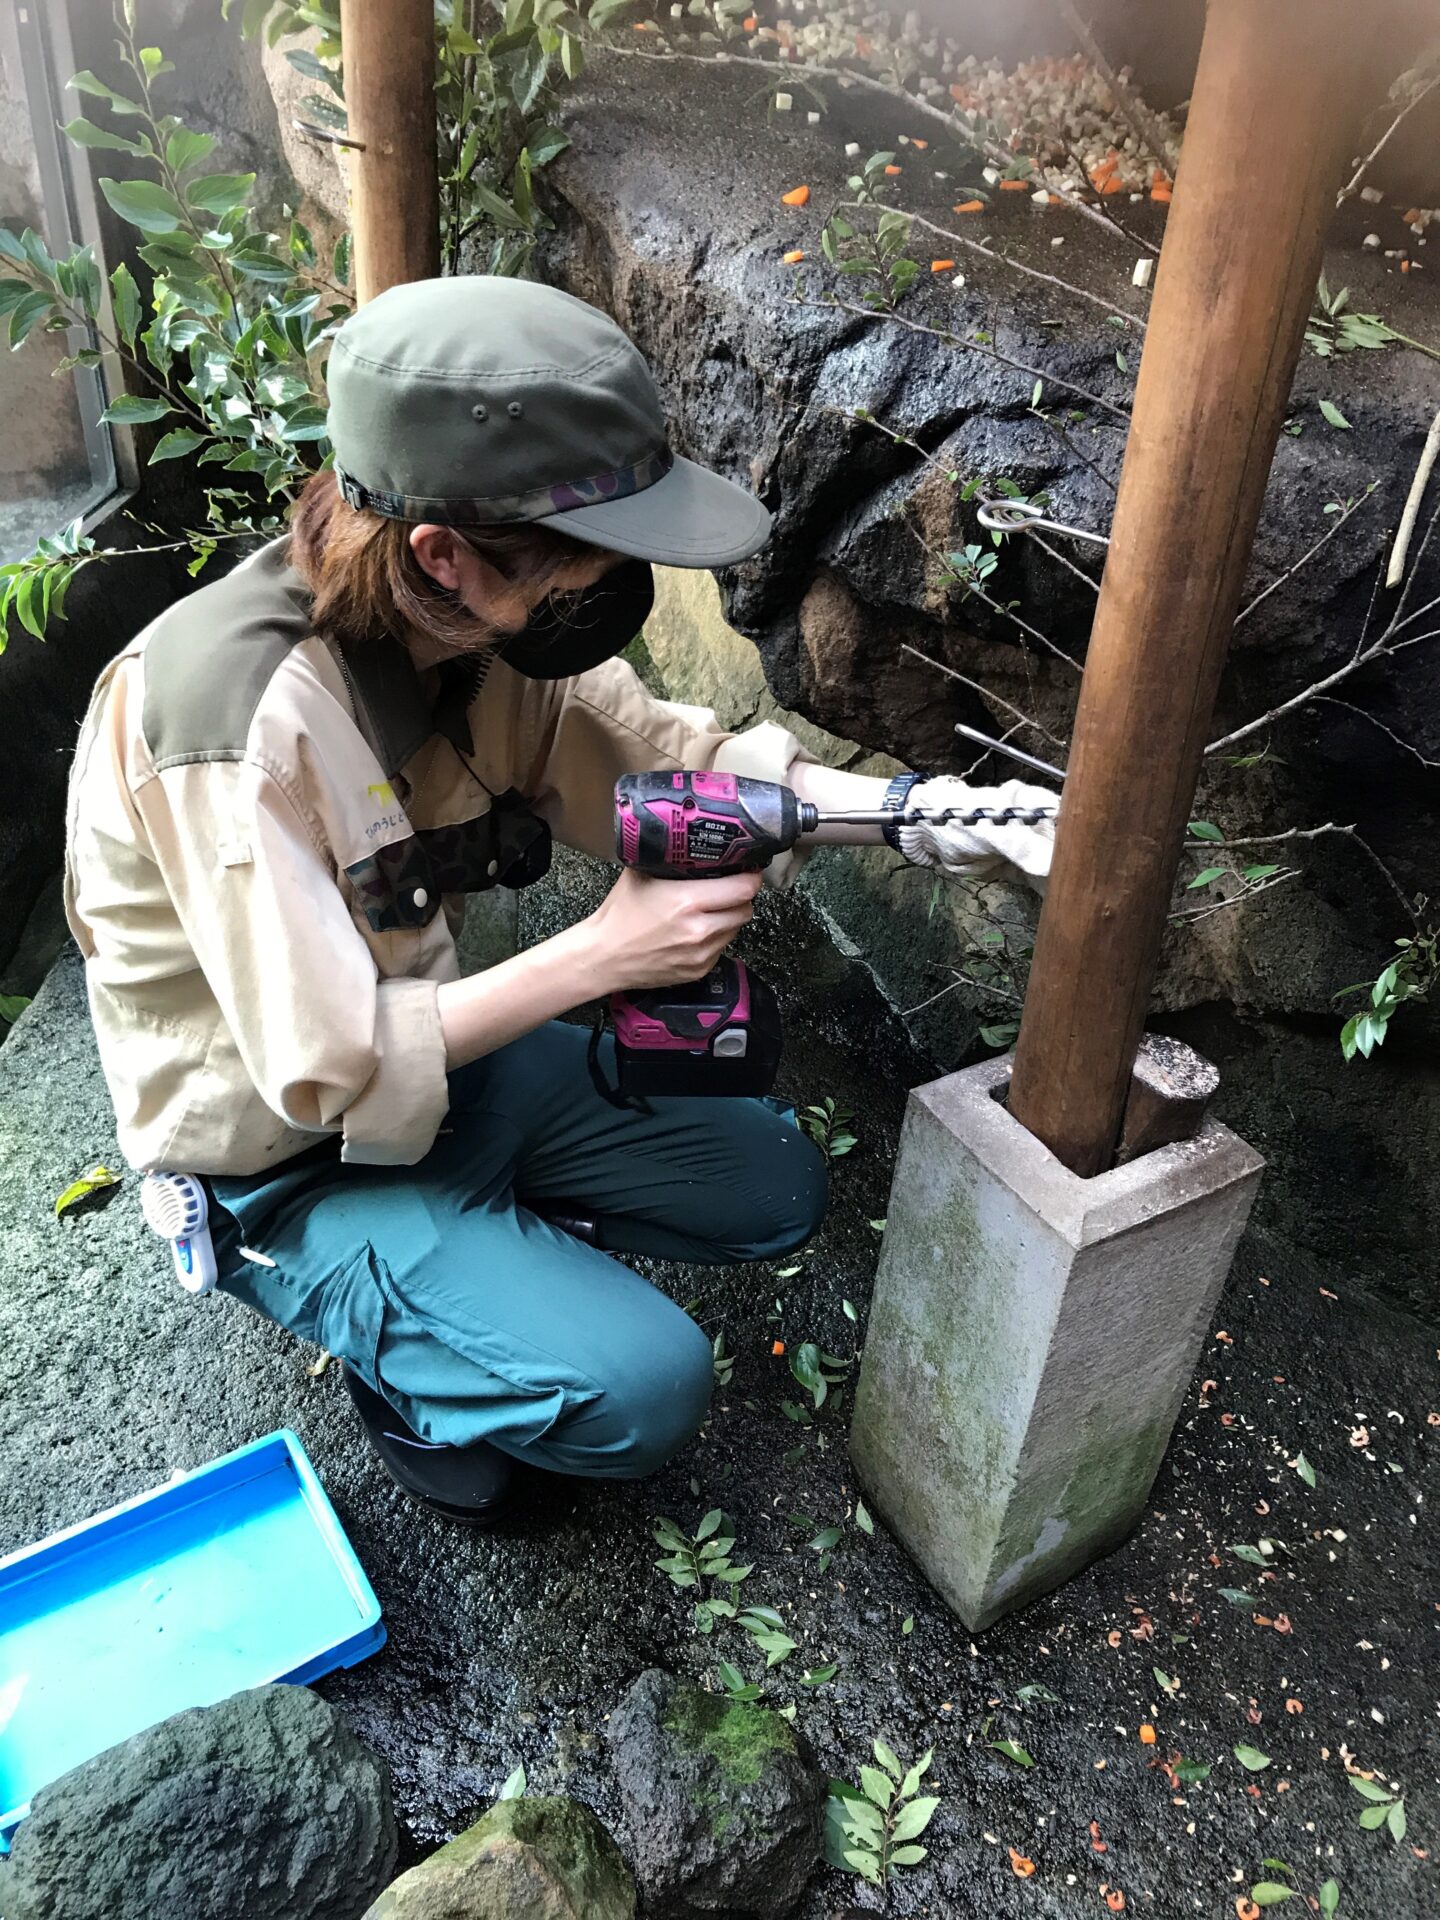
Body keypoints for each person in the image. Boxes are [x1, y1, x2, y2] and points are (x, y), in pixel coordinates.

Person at [63, 275, 1055, 1521]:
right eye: (595, 557)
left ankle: (489, 1258)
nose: (617, 585)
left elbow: (668, 763)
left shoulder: (471, 640)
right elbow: (324, 1070)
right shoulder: (234, 733)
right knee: (642, 1391)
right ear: (446, 554)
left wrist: (916, 816)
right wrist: (605, 954)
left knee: (776, 1188)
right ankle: (408, 1354)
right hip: (286, 1166)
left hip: (449, 1072)